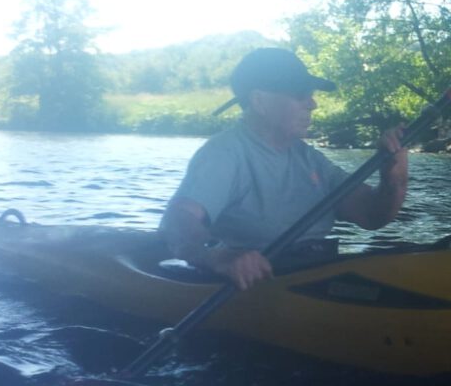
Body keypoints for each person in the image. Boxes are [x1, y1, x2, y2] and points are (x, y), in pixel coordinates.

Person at [159, 47, 408, 290]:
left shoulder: (309, 158)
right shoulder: (224, 154)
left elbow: (371, 214)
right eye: (301, 95)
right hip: (260, 287)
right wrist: (216, 256)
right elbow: (178, 220)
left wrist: (392, 179)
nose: (313, 104)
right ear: (259, 101)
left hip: (316, 277)